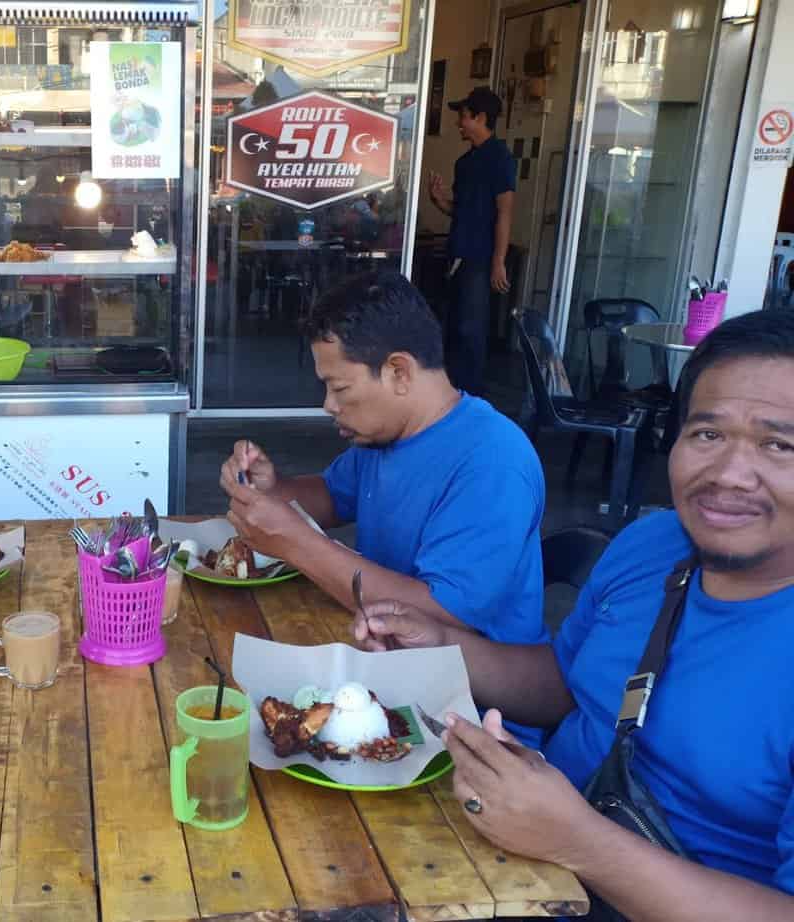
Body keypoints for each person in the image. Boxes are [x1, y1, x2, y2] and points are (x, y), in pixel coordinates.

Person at [357, 309, 794, 919]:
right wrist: (439, 645)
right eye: (707, 434)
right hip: (511, 865)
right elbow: (567, 685)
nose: (728, 475)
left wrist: (578, 841)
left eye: (777, 444)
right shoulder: (654, 545)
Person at [219, 272, 549, 743]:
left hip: (472, 724)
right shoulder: (386, 436)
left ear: (398, 371)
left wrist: (296, 542)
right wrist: (272, 489)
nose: (328, 405)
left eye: (340, 388)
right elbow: (333, 497)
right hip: (381, 675)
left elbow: (442, 615)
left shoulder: (492, 461)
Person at [426, 86, 515, 398]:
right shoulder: (464, 163)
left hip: (480, 257)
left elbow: (505, 211)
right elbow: (459, 211)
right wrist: (439, 200)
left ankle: (471, 400)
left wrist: (498, 262)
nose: (458, 124)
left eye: (463, 117)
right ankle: (452, 396)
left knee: (472, 331)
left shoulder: (500, 158)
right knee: (455, 328)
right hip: (457, 254)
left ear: (480, 117)